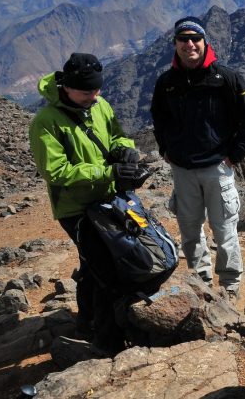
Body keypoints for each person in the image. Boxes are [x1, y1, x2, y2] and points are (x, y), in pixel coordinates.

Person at [29, 53, 148, 355]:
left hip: (107, 199)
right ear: (66, 87)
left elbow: (118, 137)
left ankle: (86, 322)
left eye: (96, 90)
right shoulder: (46, 123)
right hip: (76, 209)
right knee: (107, 272)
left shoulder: (100, 104)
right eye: (86, 92)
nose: (94, 97)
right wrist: (108, 172)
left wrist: (125, 152)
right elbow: (55, 172)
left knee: (93, 264)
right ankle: (107, 343)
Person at [150, 16, 245, 300]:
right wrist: (166, 149)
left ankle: (230, 287)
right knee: (189, 231)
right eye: (183, 39)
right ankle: (200, 283)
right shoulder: (166, 82)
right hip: (183, 170)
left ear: (204, 42)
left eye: (195, 38)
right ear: (175, 44)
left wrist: (234, 156)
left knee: (225, 231)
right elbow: (159, 118)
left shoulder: (226, 78)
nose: (190, 44)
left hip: (217, 169)